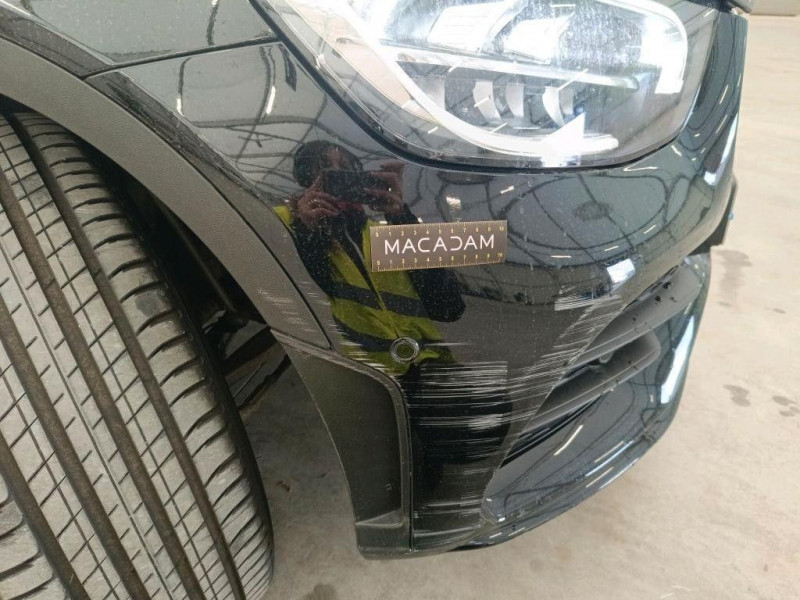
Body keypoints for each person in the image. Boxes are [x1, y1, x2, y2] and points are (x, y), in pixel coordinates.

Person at [275, 140, 464, 374]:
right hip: (365, 375)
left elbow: (449, 307)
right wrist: (306, 230)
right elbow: (296, 294)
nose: (338, 175)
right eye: (324, 167)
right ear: (306, 179)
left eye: (347, 169)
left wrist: (402, 218)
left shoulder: (382, 234)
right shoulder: (283, 221)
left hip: (432, 366)